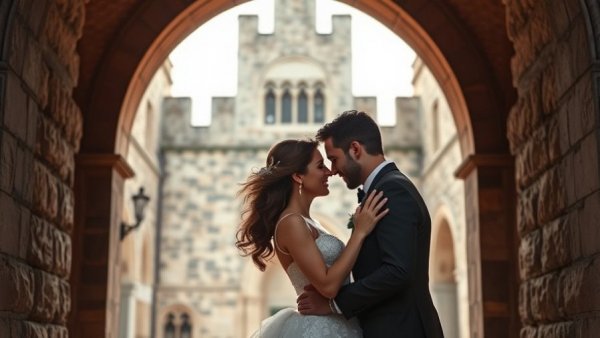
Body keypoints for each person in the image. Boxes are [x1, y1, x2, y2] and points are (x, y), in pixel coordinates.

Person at [297, 110, 444, 337]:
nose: (333, 170)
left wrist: (334, 305)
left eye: (334, 159)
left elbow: (397, 271)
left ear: (355, 149)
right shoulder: (384, 188)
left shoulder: (393, 190)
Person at [236, 139, 389, 337]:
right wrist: (359, 233)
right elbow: (328, 286)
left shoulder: (309, 221)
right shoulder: (291, 223)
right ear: (298, 176)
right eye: (320, 166)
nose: (329, 171)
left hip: (342, 324)